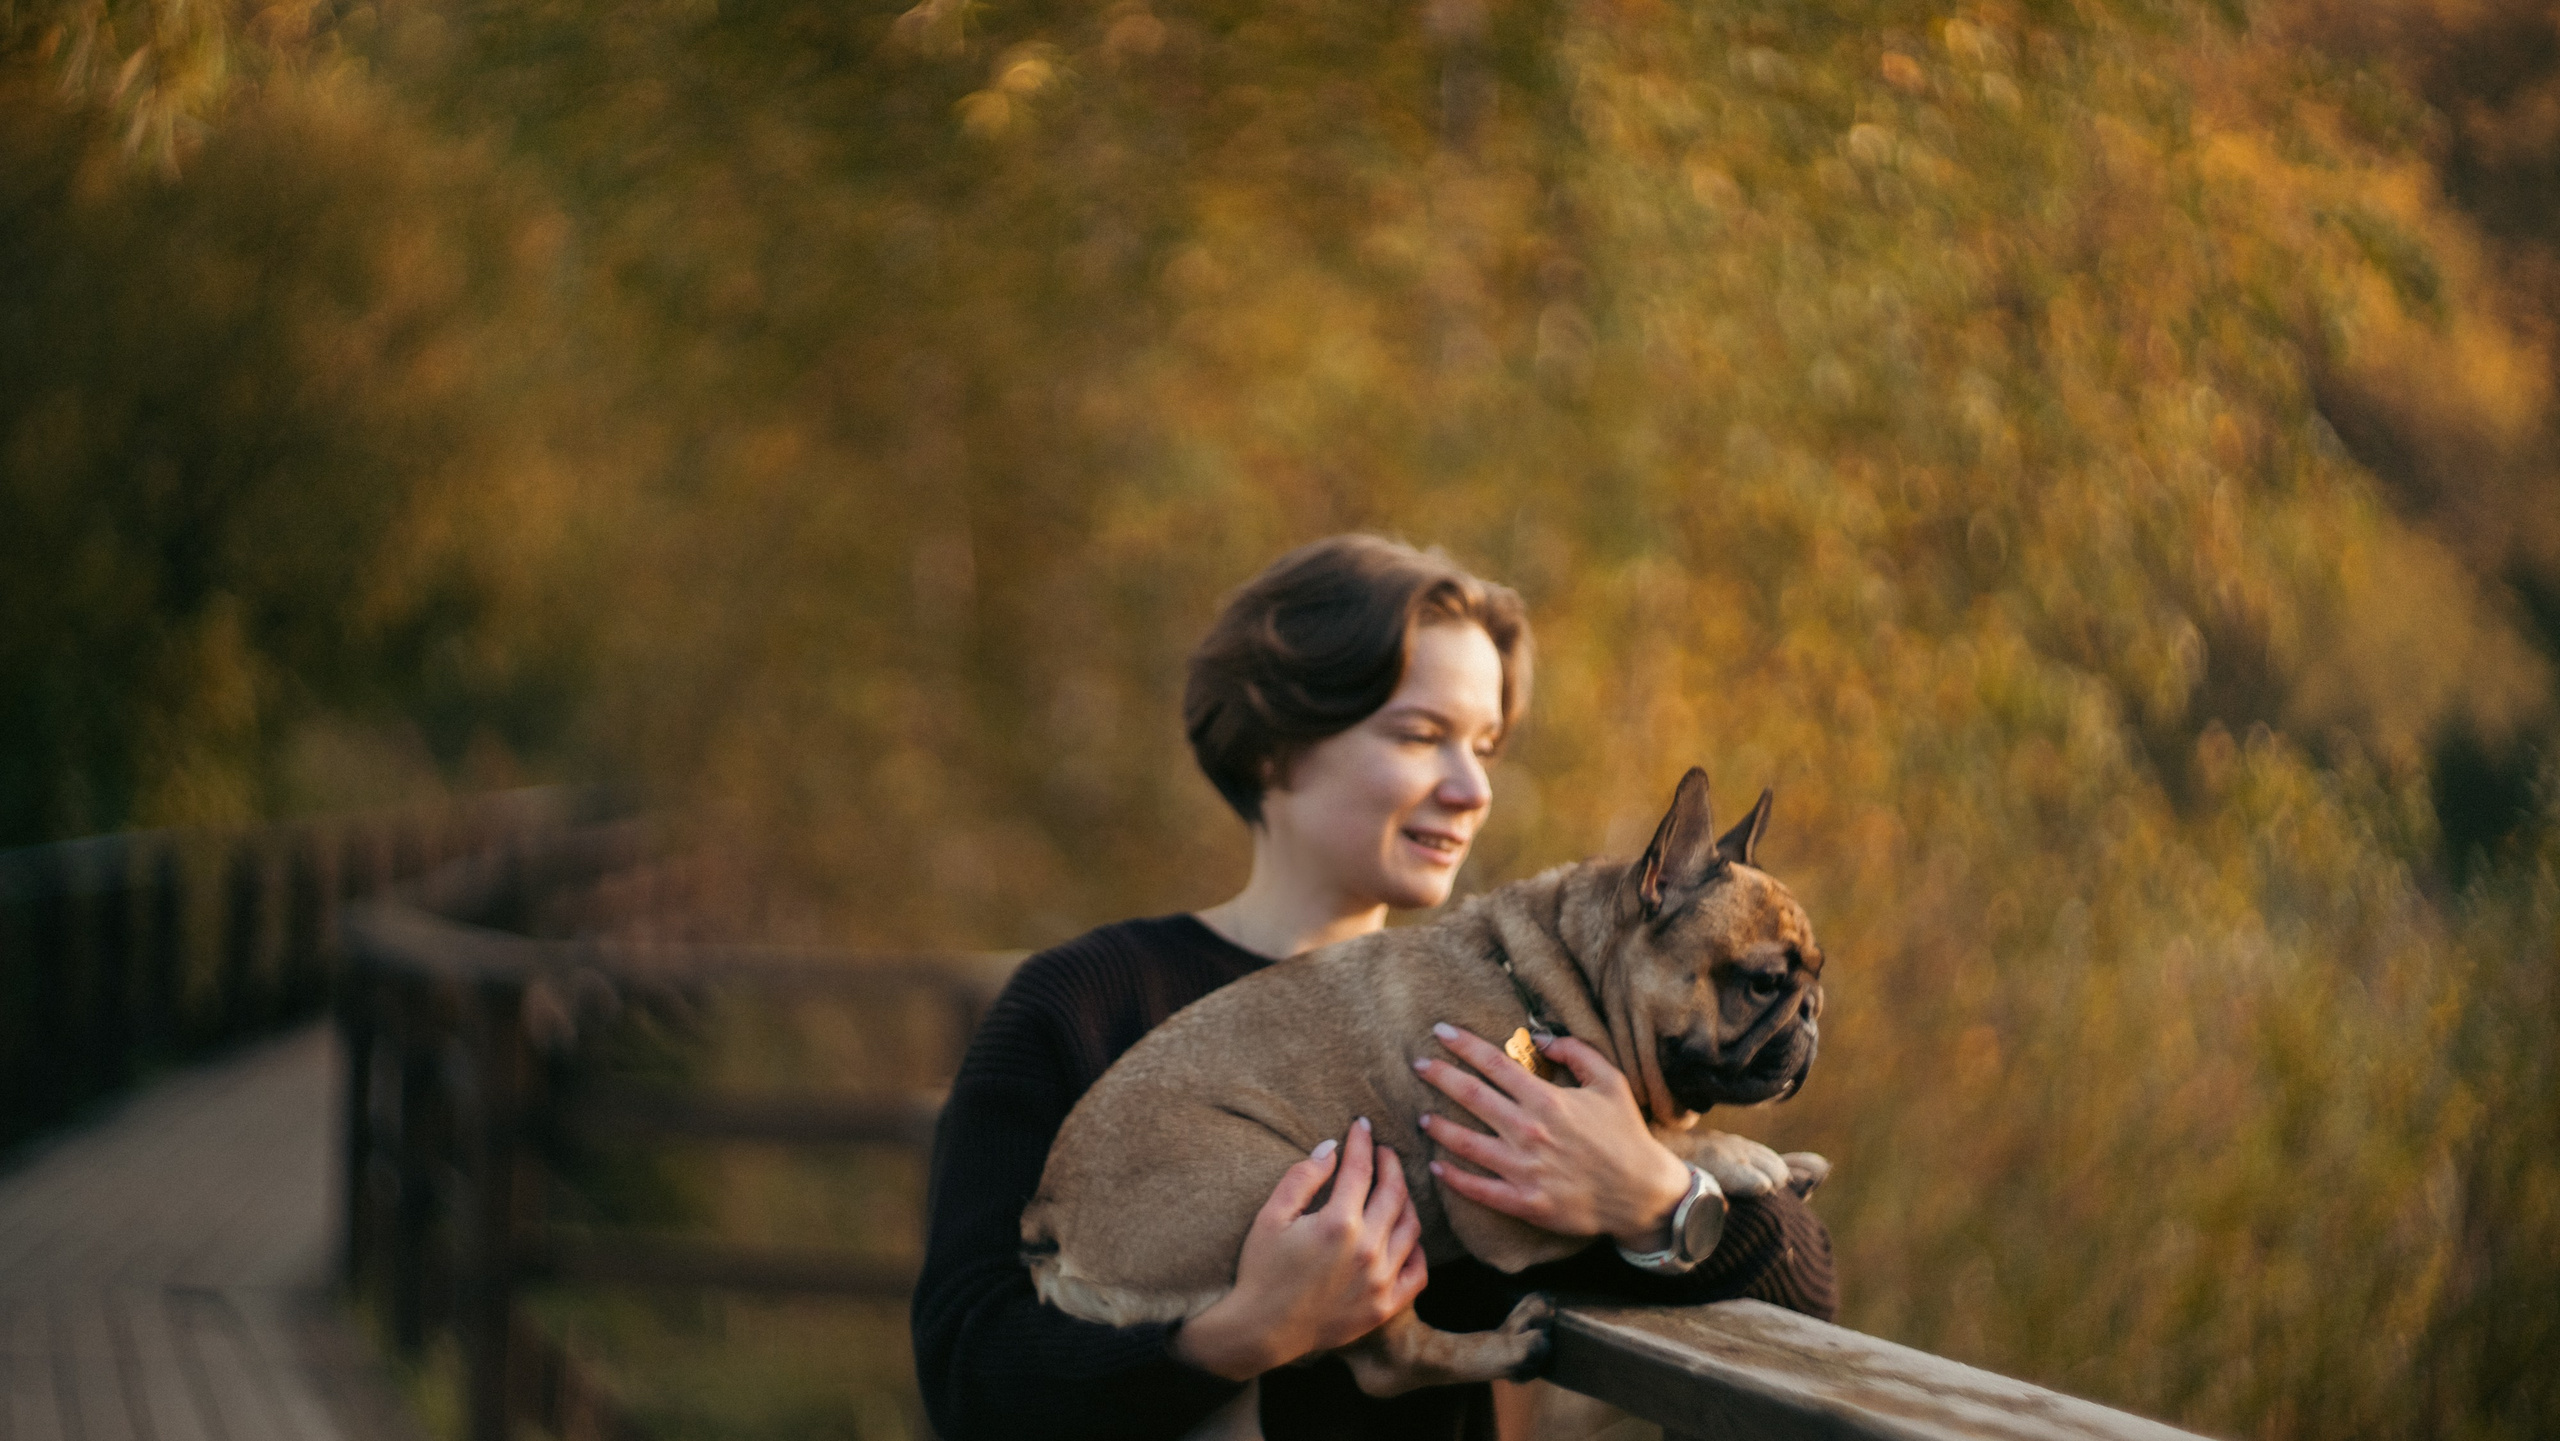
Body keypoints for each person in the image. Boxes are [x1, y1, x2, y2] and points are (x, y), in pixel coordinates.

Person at [911, 535, 1835, 1441]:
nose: (1472, 787)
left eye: (1486, 745)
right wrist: (1231, 1339)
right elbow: (968, 1377)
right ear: (1278, 741)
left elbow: (1806, 1313)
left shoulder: (1525, 1025)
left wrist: (1656, 1195)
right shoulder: (1078, 1006)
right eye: (1422, 735)